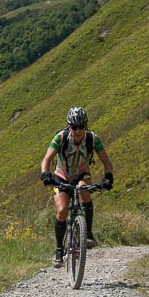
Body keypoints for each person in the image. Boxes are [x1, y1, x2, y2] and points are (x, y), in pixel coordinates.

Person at [40, 107, 114, 268]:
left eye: (82, 126)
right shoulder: (61, 138)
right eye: (74, 127)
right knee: (62, 210)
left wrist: (108, 178)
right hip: (61, 177)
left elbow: (107, 162)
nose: (78, 130)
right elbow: (46, 160)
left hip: (82, 175)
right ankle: (59, 250)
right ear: (69, 127)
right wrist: (46, 175)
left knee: (84, 191)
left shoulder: (92, 139)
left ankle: (87, 234)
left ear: (86, 126)